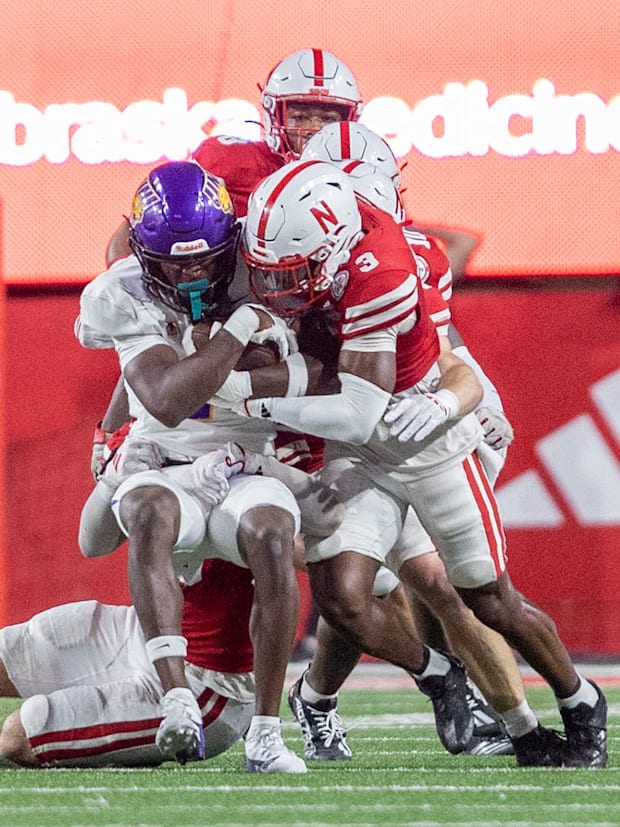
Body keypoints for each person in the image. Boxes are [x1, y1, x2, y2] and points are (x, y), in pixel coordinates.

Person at [239, 159, 608, 769]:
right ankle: (441, 682)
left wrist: (251, 398)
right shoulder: (322, 245)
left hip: (424, 442)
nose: (279, 288)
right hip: (362, 451)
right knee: (344, 596)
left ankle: (578, 700)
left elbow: (366, 406)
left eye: (294, 271)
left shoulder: (384, 269)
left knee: (487, 598)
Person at [76, 160, 324, 773]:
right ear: (139, 251)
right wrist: (240, 332)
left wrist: (229, 388)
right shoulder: (121, 291)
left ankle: (270, 731)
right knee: (116, 522)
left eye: (202, 258)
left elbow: (327, 370)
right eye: (171, 262)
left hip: (246, 457)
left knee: (282, 538)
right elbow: (163, 398)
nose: (190, 272)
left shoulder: (266, 265)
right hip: (162, 449)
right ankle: (177, 696)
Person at [0, 557, 256, 768]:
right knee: (13, 649)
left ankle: (130, 747)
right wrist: (114, 493)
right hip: (142, 631)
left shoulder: (250, 503)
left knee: (22, 733)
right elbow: (92, 542)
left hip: (204, 684)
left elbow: (289, 550)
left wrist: (266, 724)